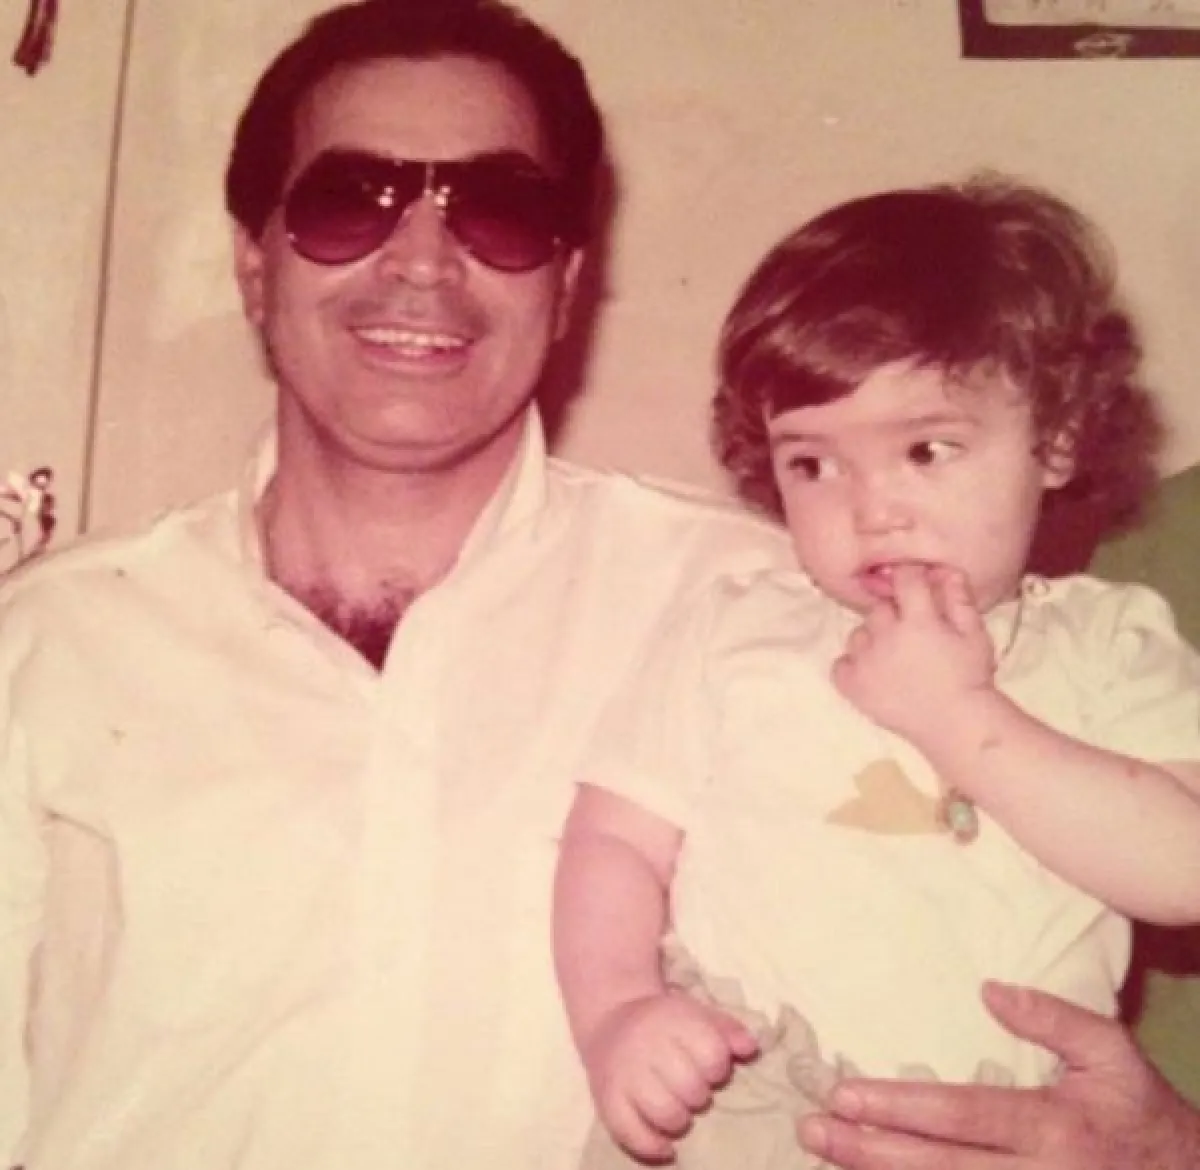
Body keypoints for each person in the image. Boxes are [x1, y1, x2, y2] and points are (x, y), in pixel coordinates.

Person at [0, 1, 1195, 1166]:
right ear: (254, 266)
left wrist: (1163, 1152)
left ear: (567, 284)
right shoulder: (53, 638)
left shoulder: (787, 602)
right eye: (349, 200)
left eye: (501, 211)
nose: (422, 260)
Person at [553, 176, 1200, 1168]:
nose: (871, 509)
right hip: (745, 1095)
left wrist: (958, 715)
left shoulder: (1110, 644)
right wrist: (616, 1013)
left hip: (1001, 1130)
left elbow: (1182, 874)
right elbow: (613, 843)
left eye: (927, 450)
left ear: (1058, 439)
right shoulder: (734, 631)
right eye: (812, 464)